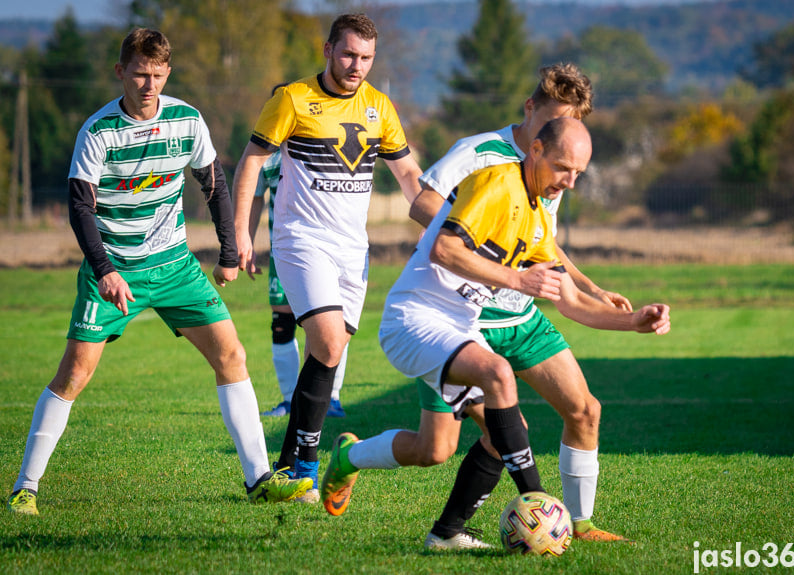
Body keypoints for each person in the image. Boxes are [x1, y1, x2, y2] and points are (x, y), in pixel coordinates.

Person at [320, 119, 671, 546]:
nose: (571, 182)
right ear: (536, 149)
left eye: (579, 173)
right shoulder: (494, 183)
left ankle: (439, 529)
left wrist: (633, 322)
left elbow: (571, 302)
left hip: (458, 329)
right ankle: (540, 508)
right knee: (499, 376)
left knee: (467, 440)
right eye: (564, 167)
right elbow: (444, 248)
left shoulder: (539, 216)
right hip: (415, 321)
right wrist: (517, 280)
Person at [5, 29, 311, 516]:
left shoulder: (187, 120)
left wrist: (228, 253)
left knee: (231, 354)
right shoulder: (98, 131)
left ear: (168, 73)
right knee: (74, 374)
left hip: (175, 266)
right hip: (114, 271)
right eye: (140, 74)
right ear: (121, 72)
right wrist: (104, 270)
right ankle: (26, 487)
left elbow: (214, 185)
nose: (149, 84)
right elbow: (80, 207)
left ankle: (258, 480)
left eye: (158, 75)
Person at [411, 63, 640, 549]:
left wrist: (590, 288)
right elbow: (422, 205)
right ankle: (454, 527)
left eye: (571, 126)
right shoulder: (480, 153)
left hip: (523, 315)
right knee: (443, 447)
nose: (561, 136)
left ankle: (578, 526)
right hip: (467, 316)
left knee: (584, 410)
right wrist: (476, 234)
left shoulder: (556, 170)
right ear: (530, 112)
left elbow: (543, 243)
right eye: (552, 124)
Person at [232, 13, 424, 503]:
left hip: (351, 250)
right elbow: (252, 162)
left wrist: (445, 224)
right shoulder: (292, 99)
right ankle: (308, 471)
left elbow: (408, 178)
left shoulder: (380, 107)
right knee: (329, 344)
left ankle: (286, 466)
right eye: (348, 54)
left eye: (366, 58)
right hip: (301, 241)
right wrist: (239, 235)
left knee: (324, 354)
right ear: (327, 49)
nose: (356, 65)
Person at [247, 151, 348, 419]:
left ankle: (331, 398)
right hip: (285, 251)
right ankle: (291, 399)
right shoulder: (266, 153)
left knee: (333, 322)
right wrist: (245, 241)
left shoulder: (325, 144)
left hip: (330, 253)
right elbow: (255, 196)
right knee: (282, 319)